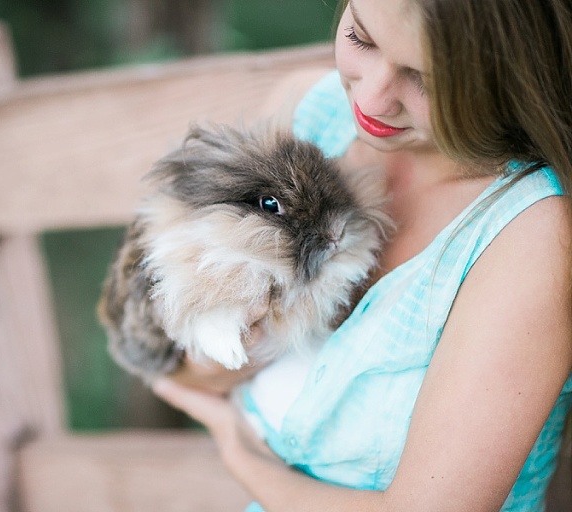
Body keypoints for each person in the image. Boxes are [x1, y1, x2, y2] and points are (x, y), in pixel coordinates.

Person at [152, 0, 572, 511]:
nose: (372, 98)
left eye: (425, 78)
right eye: (361, 38)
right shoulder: (308, 113)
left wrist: (240, 452)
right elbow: (182, 363)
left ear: (512, 74)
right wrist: (223, 329)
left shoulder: (533, 235)